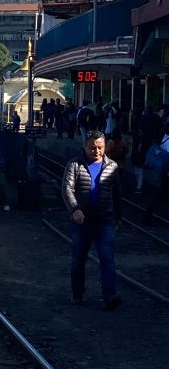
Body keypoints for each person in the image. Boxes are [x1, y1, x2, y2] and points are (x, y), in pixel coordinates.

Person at [62, 131, 121, 310]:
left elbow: (117, 194)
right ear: (84, 147)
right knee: (78, 260)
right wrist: (75, 209)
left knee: (107, 259)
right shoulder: (74, 165)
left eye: (100, 147)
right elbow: (67, 188)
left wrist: (119, 217)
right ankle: (77, 294)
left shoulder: (112, 166)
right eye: (92, 147)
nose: (96, 151)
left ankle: (109, 296)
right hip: (82, 222)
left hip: (104, 220)